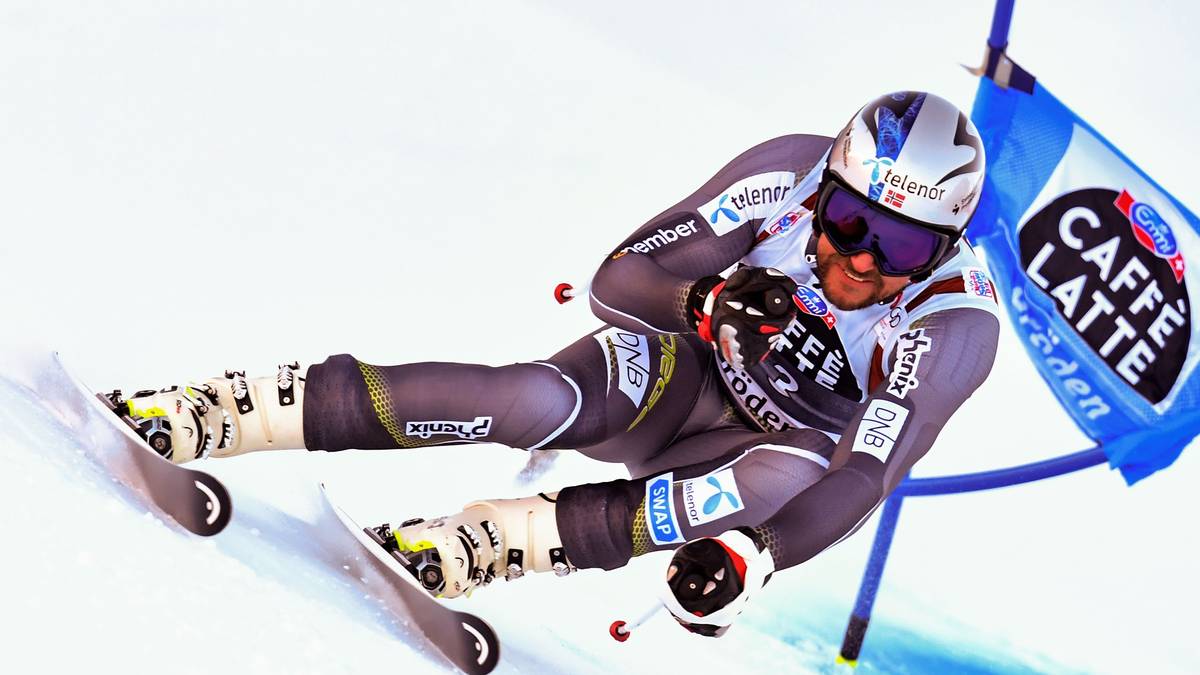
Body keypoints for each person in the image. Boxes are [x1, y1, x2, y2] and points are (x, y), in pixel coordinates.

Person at [114, 91, 999, 637]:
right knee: (536, 396)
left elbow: (864, 476)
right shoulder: (788, 176)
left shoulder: (952, 325)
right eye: (852, 224)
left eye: (903, 245)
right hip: (685, 378)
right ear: (828, 188)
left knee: (771, 481)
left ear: (948, 246)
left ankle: (497, 539)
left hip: (771, 457)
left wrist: (752, 558)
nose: (865, 261)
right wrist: (705, 304)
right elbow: (620, 278)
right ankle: (233, 408)